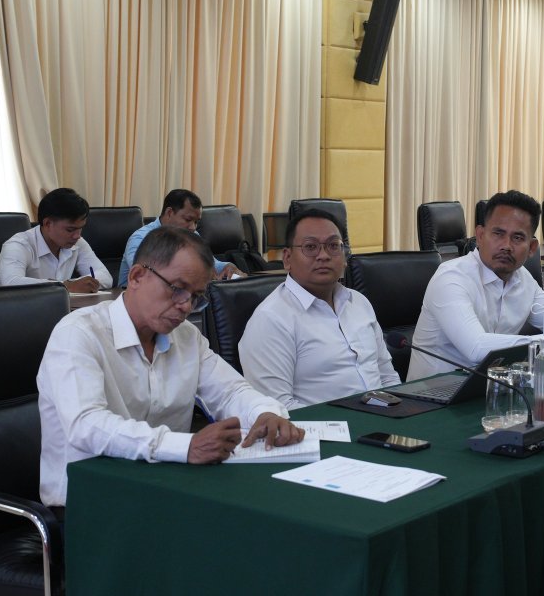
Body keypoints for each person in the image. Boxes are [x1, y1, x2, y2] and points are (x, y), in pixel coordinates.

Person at [37, 227, 303, 508]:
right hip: (91, 503)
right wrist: (185, 446)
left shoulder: (186, 336)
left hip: (167, 489)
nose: (185, 306)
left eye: (196, 296)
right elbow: (86, 425)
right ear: (136, 276)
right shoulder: (78, 334)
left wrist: (264, 412)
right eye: (177, 289)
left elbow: (230, 392)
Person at [407, 190, 544, 381]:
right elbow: (476, 347)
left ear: (532, 248)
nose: (506, 246)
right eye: (498, 234)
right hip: (430, 397)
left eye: (517, 238)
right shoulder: (451, 278)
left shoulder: (523, 279)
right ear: (480, 236)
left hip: (490, 388)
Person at [239, 210, 400, 408]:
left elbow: (387, 377)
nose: (323, 255)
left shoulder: (359, 302)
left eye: (333, 246)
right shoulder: (271, 319)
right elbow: (277, 407)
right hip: (324, 426)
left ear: (345, 256)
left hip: (383, 417)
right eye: (310, 247)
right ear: (287, 258)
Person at [0, 188, 111, 292]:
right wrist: (66, 286)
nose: (77, 236)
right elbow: (11, 283)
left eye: (81, 228)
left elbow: (105, 277)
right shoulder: (18, 245)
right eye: (70, 229)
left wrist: (83, 284)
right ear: (48, 224)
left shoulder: (78, 243)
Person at [118, 189, 244, 286]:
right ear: (169, 213)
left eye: (196, 222)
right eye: (188, 220)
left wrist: (228, 267)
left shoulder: (193, 235)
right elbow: (149, 274)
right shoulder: (141, 238)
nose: (193, 227)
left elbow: (212, 264)